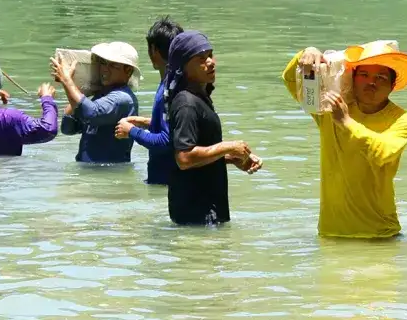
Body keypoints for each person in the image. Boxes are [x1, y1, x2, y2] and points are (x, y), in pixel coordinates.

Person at [279, 40, 407, 238]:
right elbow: (292, 80)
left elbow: (382, 153)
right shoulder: (329, 109)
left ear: (392, 85)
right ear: (353, 78)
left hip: (379, 234)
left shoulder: (401, 118)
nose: (371, 82)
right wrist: (305, 54)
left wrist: (345, 122)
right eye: (364, 75)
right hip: (330, 233)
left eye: (380, 77)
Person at [165, 31, 261, 225]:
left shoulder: (199, 98)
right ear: (184, 67)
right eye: (201, 58)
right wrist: (227, 147)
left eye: (210, 55)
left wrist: (231, 158)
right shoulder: (187, 103)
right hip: (196, 215)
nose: (210, 62)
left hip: (204, 213)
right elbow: (184, 158)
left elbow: (198, 151)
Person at [116, 17, 183, 185]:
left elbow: (165, 140)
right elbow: (174, 126)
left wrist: (131, 131)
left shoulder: (168, 89)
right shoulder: (175, 82)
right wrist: (146, 122)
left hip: (166, 185)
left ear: (153, 49)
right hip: (170, 182)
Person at [52, 42, 140, 164]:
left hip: (109, 173)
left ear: (128, 71)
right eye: (103, 63)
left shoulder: (123, 98)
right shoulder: (100, 97)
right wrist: (79, 90)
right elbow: (68, 129)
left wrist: (67, 81)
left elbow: (91, 113)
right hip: (89, 171)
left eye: (113, 65)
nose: (105, 69)